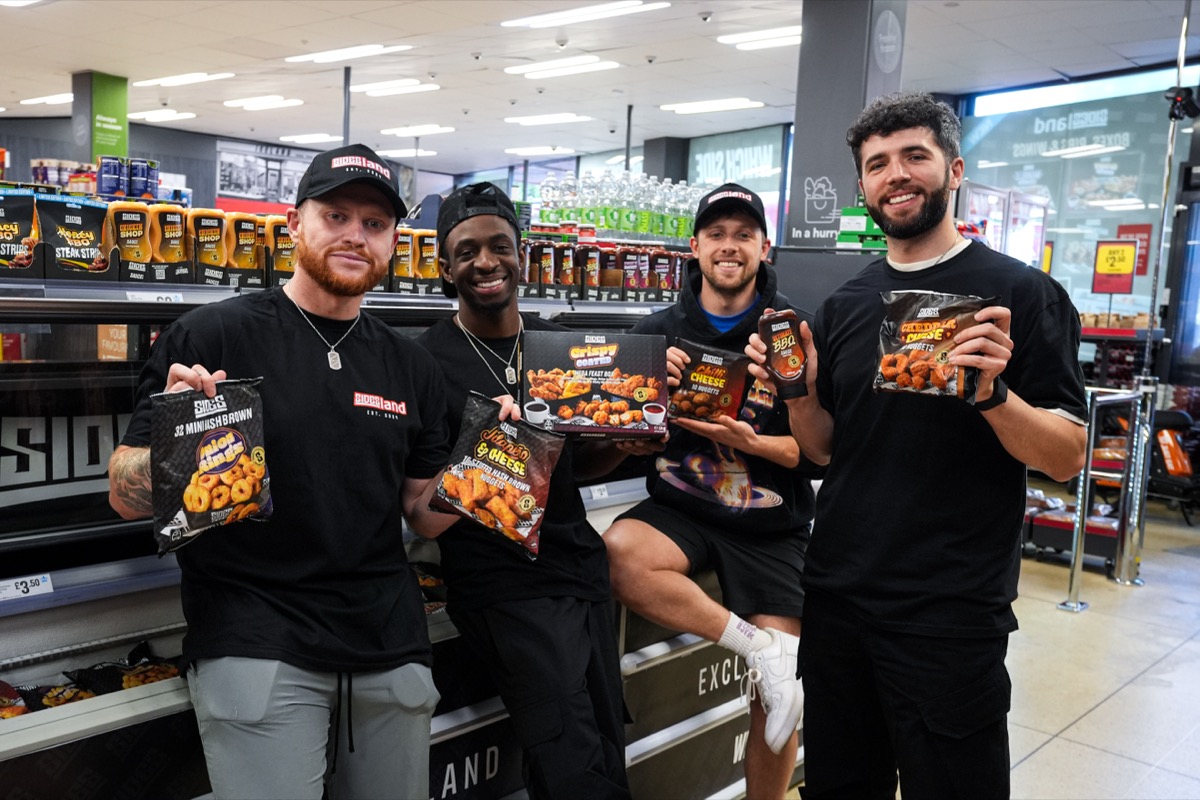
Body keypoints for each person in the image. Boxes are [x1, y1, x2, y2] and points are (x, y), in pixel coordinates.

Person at [751, 92, 1088, 800]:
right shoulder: (846, 305)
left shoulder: (1023, 295)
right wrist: (802, 394)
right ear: (864, 187)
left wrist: (994, 395)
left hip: (950, 610)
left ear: (953, 169)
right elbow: (823, 452)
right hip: (840, 598)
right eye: (877, 164)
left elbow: (1065, 455)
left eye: (914, 156)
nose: (895, 175)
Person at [108, 144, 456, 800]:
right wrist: (182, 445)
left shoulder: (411, 366)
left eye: (376, 224)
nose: (356, 234)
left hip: (388, 643)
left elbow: (425, 510)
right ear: (294, 224)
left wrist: (502, 457)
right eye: (337, 215)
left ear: (392, 243)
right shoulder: (211, 336)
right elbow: (124, 493)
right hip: (257, 638)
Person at [415, 182, 638, 799]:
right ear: (444, 267)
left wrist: (624, 442)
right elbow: (422, 516)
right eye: (466, 252)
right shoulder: (425, 362)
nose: (485, 262)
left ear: (523, 255)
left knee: (601, 744)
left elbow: (576, 466)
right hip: (504, 586)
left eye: (499, 247)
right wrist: (490, 446)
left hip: (579, 569)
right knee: (576, 764)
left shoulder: (555, 348)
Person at [603, 183, 817, 799]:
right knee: (619, 554)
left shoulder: (792, 332)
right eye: (717, 235)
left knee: (780, 706)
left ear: (764, 248)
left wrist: (752, 439)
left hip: (774, 523)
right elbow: (614, 432)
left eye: (743, 235)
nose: (730, 247)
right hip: (683, 507)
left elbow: (818, 453)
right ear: (694, 246)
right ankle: (759, 647)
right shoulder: (653, 331)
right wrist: (640, 430)